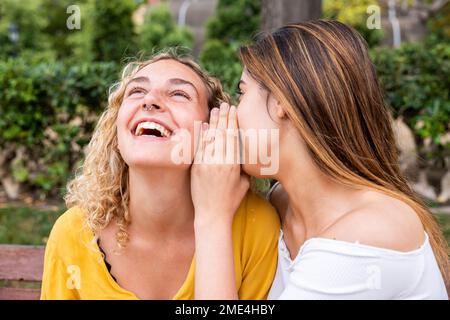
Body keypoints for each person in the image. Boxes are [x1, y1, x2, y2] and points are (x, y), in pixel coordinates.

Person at [195, 20, 449, 299]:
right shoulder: (282, 202)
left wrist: (212, 218)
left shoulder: (368, 234)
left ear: (281, 101)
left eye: (242, 92)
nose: (231, 110)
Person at [40, 51, 280, 300]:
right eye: (136, 92)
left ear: (215, 129)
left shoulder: (255, 227)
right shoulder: (74, 233)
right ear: (115, 131)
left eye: (179, 94)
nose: (150, 101)